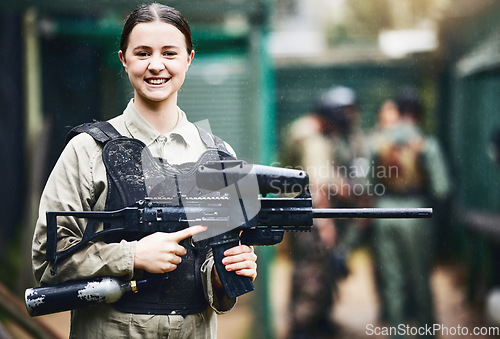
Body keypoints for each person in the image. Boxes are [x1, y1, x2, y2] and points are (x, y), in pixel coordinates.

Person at [31, 3, 257, 338]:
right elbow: (47, 260)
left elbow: (221, 291)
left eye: (169, 53)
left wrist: (230, 274)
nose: (156, 65)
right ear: (123, 60)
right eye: (142, 53)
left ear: (189, 59)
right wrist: (132, 255)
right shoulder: (88, 149)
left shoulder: (222, 157)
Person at [281, 86, 367, 338]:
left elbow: (325, 177)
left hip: (298, 215)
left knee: (309, 271)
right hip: (311, 219)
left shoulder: (303, 130)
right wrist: (327, 227)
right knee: (312, 274)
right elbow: (317, 189)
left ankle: (313, 322)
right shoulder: (313, 138)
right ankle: (304, 327)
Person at [369, 87, 450, 338]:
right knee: (420, 278)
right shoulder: (426, 143)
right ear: (418, 112)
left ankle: (398, 333)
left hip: (384, 215)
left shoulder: (379, 142)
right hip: (416, 213)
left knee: (393, 281)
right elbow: (441, 189)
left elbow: (368, 184)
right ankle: (426, 332)